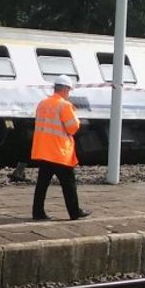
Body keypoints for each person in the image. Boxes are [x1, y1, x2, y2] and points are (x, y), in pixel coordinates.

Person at [31, 75, 90, 221]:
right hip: (59, 152)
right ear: (64, 89)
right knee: (69, 185)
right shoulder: (64, 105)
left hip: (44, 151)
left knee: (42, 185)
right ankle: (74, 212)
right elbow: (72, 128)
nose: (69, 93)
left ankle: (37, 213)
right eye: (68, 90)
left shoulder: (42, 103)